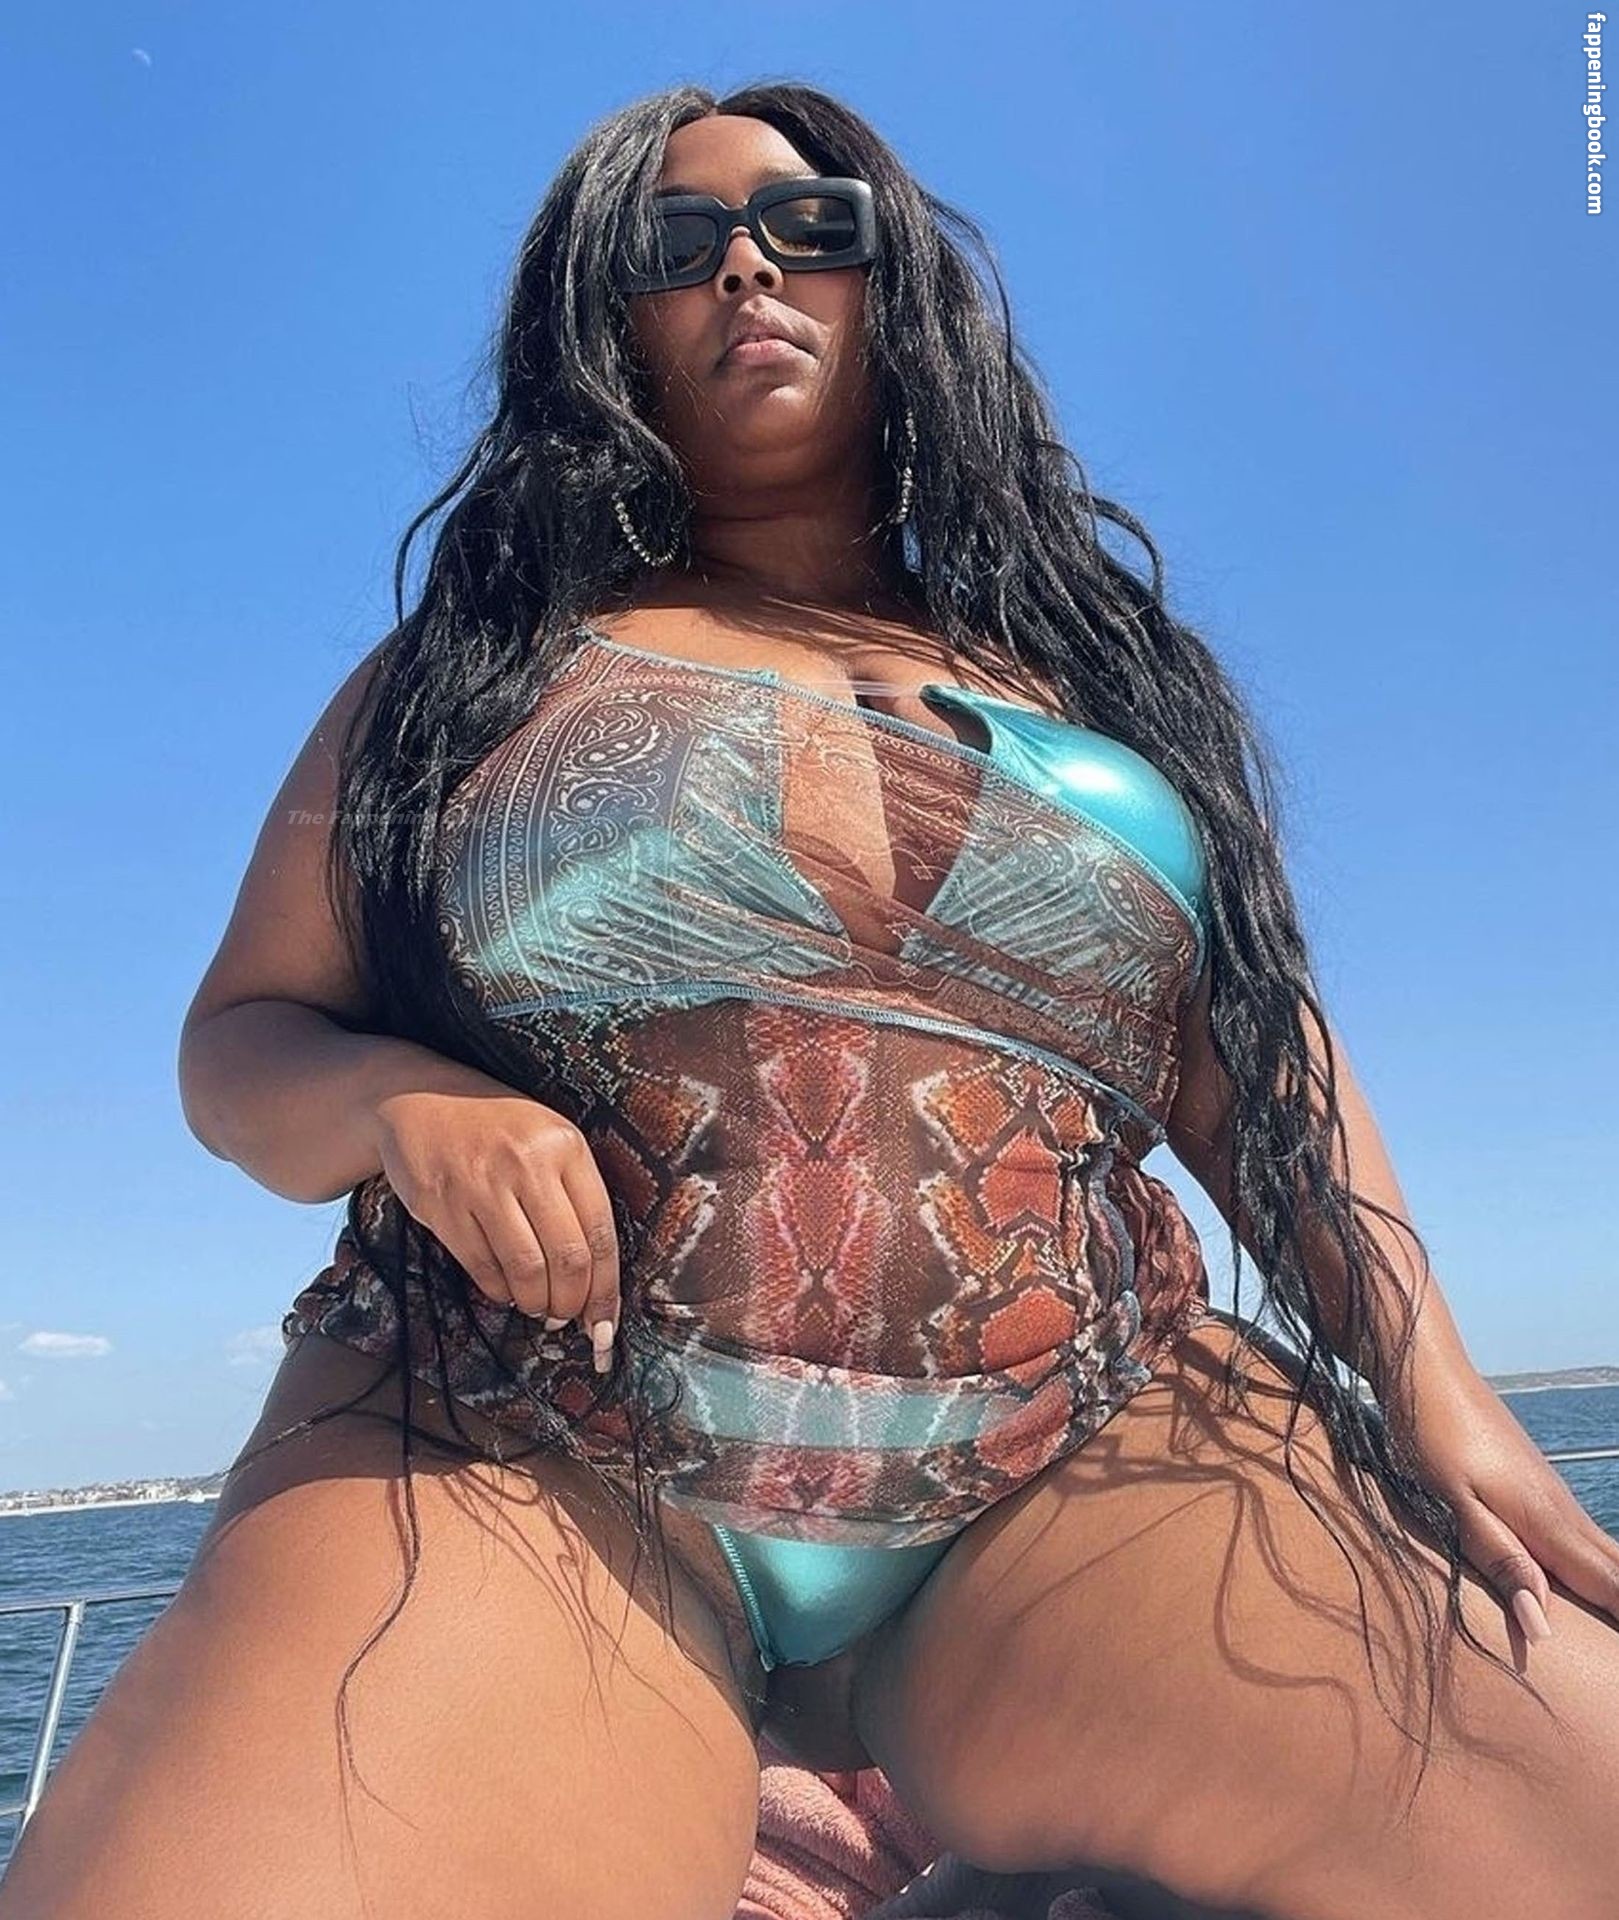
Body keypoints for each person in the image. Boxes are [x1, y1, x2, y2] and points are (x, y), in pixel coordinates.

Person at [7, 80, 1617, 1920]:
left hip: (1075, 1451)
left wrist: (1438, 1397)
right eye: (675, 243)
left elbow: (1245, 1056)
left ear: (891, 281)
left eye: (810, 227)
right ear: (604, 321)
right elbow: (238, 1045)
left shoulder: (1093, 676)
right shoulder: (462, 671)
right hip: (517, 1442)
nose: (749, 268)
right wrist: (401, 1100)